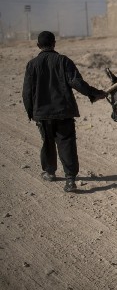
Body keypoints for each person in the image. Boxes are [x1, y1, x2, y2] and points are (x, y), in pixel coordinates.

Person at [22, 31, 107, 192]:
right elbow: (76, 82)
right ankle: (70, 180)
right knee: (67, 144)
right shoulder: (63, 61)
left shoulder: (32, 64)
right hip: (64, 112)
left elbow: (27, 92)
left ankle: (50, 172)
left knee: (47, 142)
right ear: (54, 43)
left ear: (38, 46)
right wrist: (95, 93)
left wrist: (31, 113)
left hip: (42, 114)